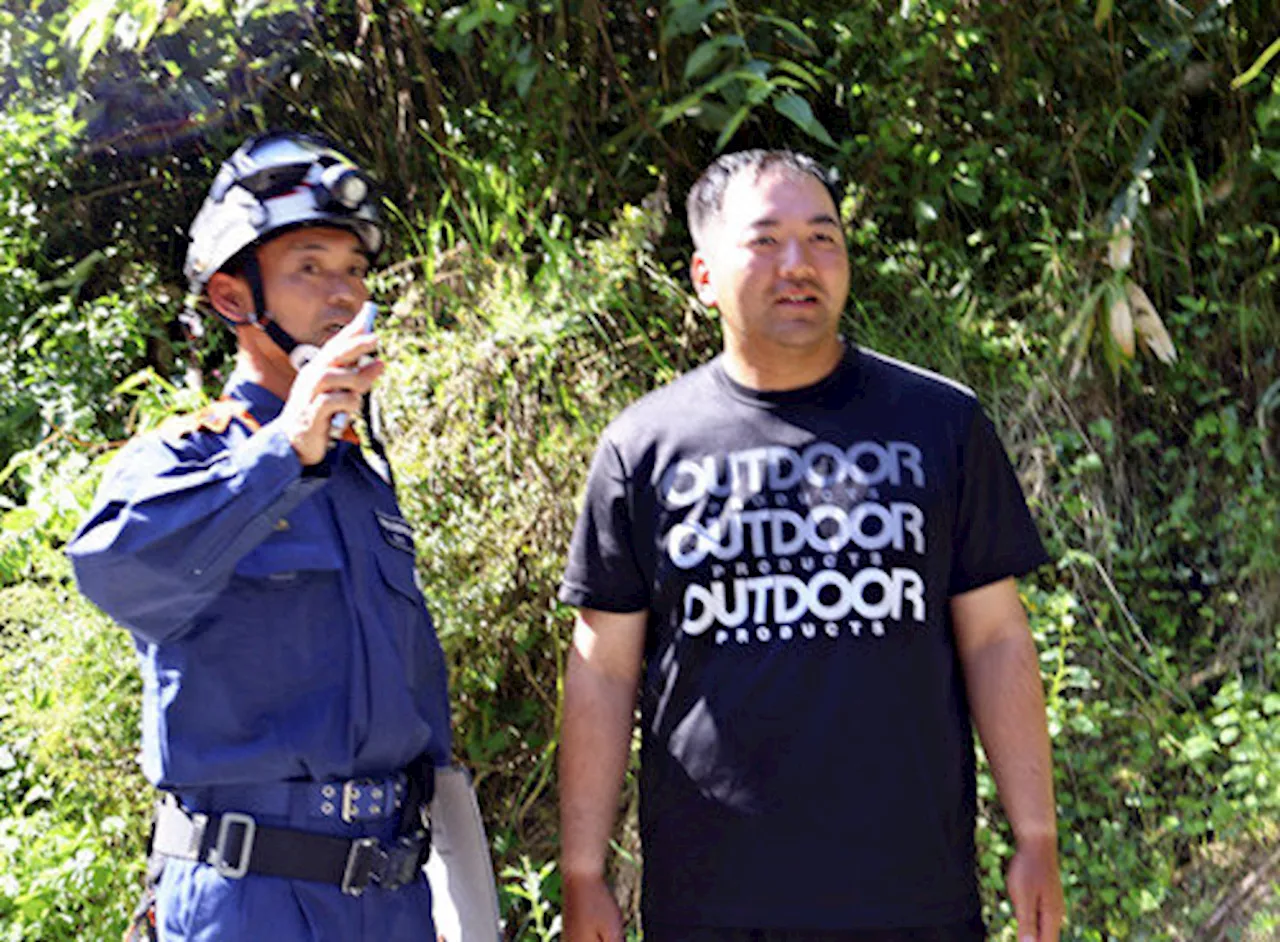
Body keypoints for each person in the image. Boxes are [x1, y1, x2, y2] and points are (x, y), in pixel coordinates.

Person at [557, 150, 1065, 942]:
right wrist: (584, 872)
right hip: (714, 906)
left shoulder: (940, 425)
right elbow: (602, 666)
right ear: (702, 275)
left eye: (823, 238)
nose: (799, 264)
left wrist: (1035, 834)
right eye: (764, 240)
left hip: (912, 901)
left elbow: (996, 638)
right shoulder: (645, 448)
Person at [67, 131, 451, 941]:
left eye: (353, 270)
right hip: (250, 897)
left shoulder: (362, 480)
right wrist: (281, 454)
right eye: (309, 267)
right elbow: (114, 571)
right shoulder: (189, 455)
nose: (342, 293)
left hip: (391, 895)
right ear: (234, 298)